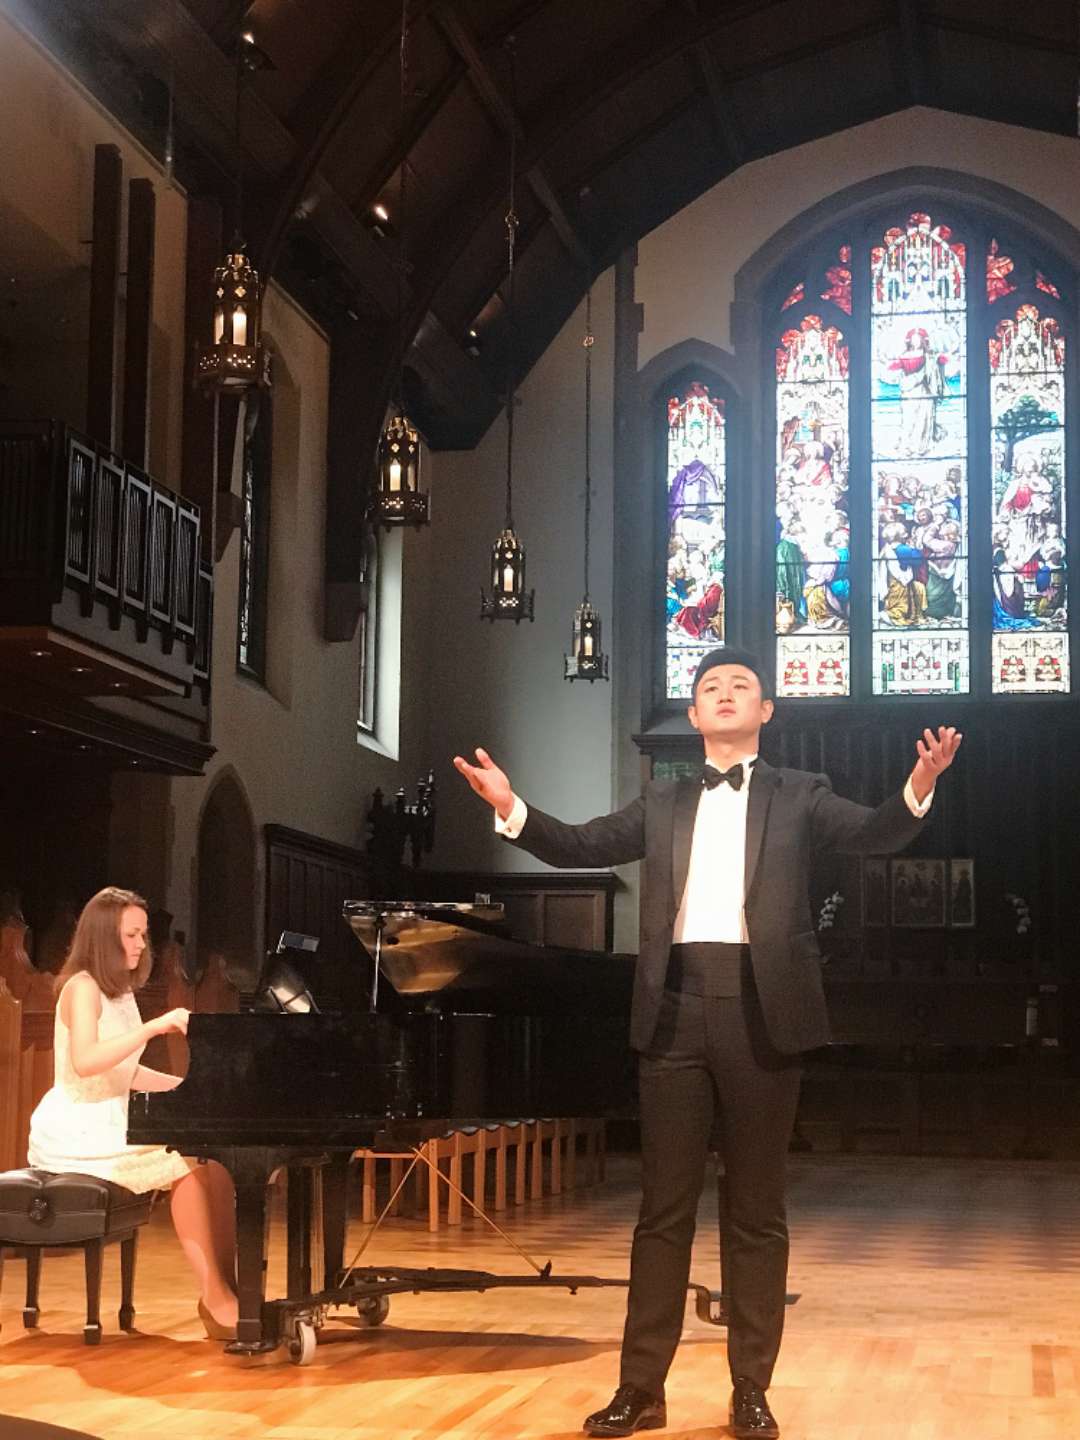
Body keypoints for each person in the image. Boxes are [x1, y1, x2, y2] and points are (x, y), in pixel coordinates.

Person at [454, 648, 961, 1439]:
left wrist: (920, 784)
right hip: (675, 1009)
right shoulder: (662, 800)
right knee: (662, 1210)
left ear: (766, 712)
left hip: (764, 1010)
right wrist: (511, 806)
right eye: (710, 687)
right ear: (692, 716)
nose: (724, 694)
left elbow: (874, 832)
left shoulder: (802, 793)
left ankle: (751, 1387)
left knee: (756, 1210)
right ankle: (641, 1389)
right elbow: (581, 845)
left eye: (740, 686)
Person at [28, 886, 239, 1338]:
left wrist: (182, 1088)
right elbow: (86, 1062)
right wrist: (154, 1027)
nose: (143, 944)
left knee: (217, 1159)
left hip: (114, 1116)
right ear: (103, 936)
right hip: (78, 1126)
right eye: (132, 934)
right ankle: (215, 1296)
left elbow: (124, 1071)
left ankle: (229, 1288)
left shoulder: (120, 991)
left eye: (143, 935)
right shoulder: (81, 988)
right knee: (183, 1163)